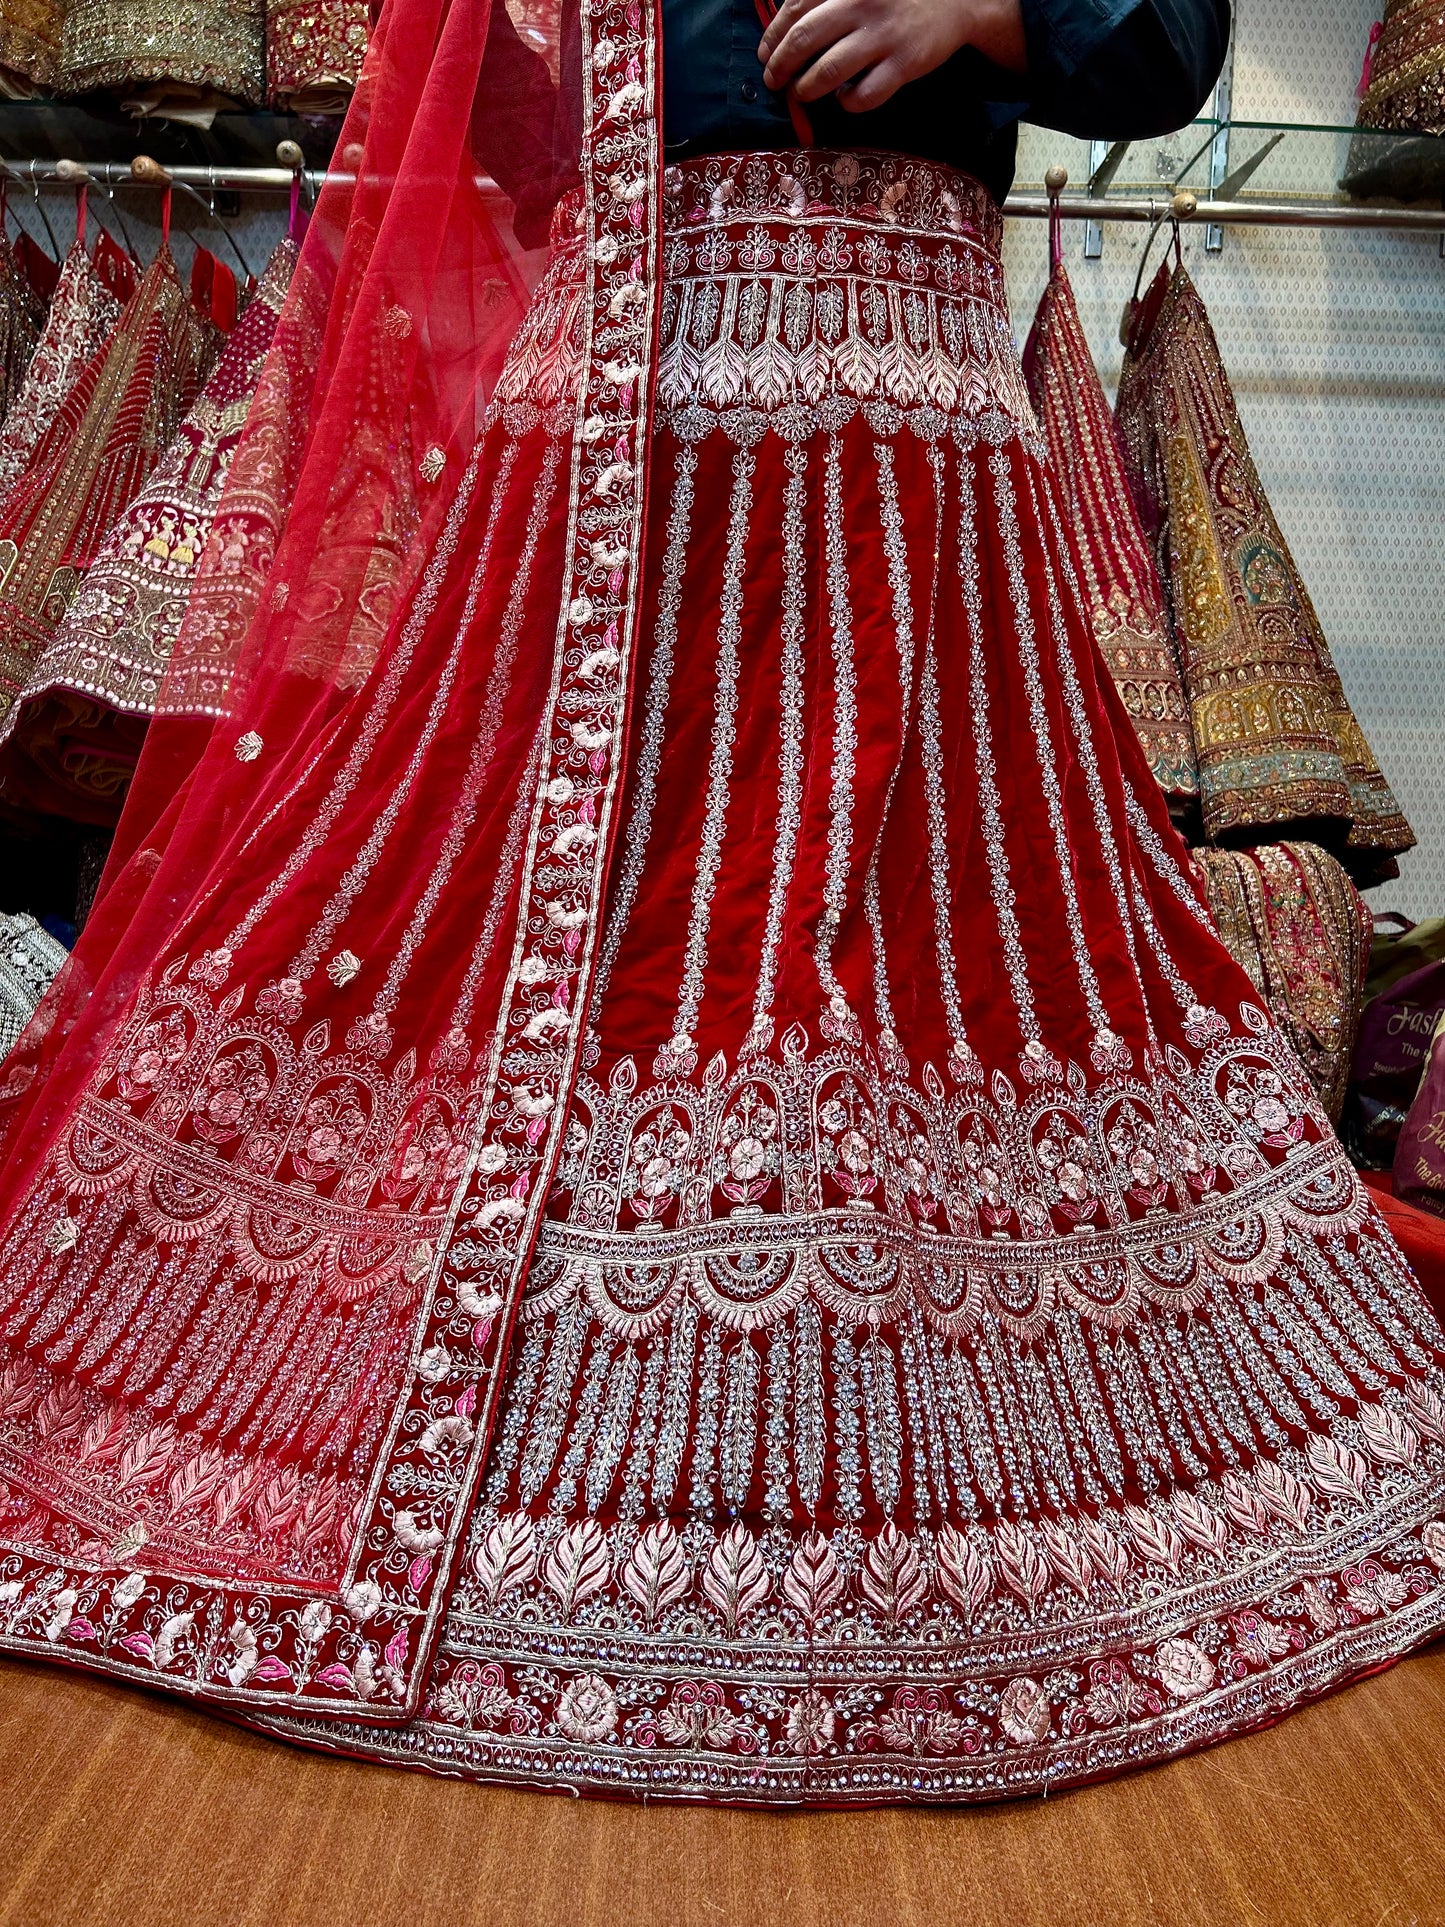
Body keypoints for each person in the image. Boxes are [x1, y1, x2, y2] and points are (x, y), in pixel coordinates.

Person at [1, 0, 1443, 1807]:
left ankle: (873, 1522)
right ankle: (462, 1464)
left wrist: (987, 9)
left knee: (910, 953)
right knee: (528, 930)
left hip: (886, 399)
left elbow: (1160, 40)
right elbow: (490, 127)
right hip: (596, 413)